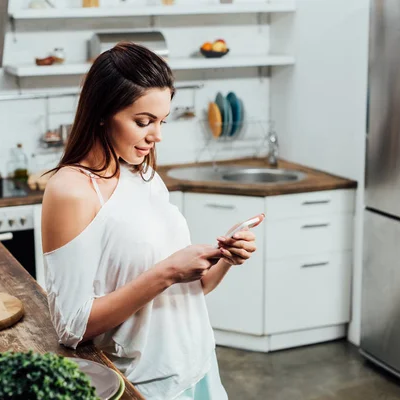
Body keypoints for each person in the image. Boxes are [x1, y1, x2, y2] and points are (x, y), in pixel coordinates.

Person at [41, 42, 261, 400]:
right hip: (145, 386)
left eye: (161, 121)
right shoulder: (73, 191)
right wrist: (169, 271)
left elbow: (189, 292)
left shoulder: (144, 176)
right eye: (143, 122)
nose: (156, 135)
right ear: (101, 112)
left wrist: (225, 259)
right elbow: (72, 326)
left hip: (199, 367)